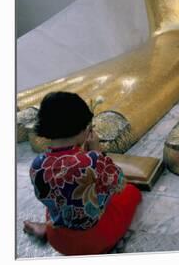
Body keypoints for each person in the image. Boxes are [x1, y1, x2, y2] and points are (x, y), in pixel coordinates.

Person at [23, 91, 142, 255]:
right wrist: (97, 153)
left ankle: (46, 229)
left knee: (60, 193)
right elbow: (118, 182)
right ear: (82, 128)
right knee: (131, 192)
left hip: (59, 241)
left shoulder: (36, 164)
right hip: (96, 241)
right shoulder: (92, 159)